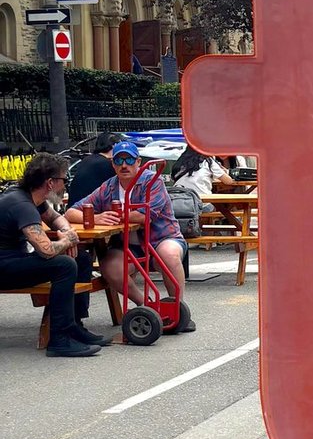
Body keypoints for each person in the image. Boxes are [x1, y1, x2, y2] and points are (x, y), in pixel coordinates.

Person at [68, 138, 194, 332]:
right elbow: (71, 212)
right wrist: (98, 217)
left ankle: (177, 307)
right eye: (119, 160)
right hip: (129, 246)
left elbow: (146, 215)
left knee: (169, 254)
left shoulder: (153, 181)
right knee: (110, 267)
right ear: (113, 164)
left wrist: (116, 216)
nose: (124, 165)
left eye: (129, 160)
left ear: (138, 162)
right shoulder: (108, 187)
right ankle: (147, 306)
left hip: (161, 239)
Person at [0, 154, 104, 357]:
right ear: (50, 183)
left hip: (11, 262)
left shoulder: (30, 196)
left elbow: (55, 217)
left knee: (81, 258)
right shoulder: (23, 205)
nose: (65, 185)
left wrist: (66, 232)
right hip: (4, 269)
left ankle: (75, 326)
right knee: (64, 265)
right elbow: (46, 250)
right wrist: (67, 241)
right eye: (64, 179)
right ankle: (59, 339)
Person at [68, 136, 119, 207]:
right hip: (88, 209)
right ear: (114, 146)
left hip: (74, 207)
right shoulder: (107, 164)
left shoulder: (87, 160)